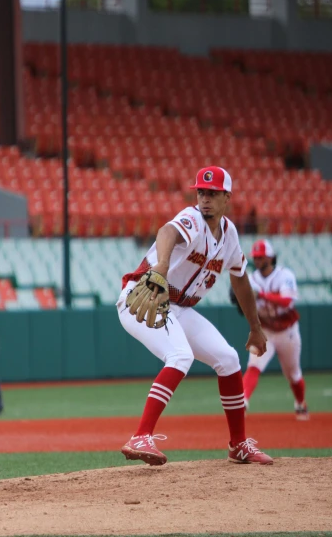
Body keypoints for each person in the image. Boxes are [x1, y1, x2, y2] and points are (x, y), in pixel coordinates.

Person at [117, 165, 273, 466]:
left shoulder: (229, 235)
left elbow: (240, 277)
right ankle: (140, 435)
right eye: (201, 191)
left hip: (179, 306)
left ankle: (238, 445)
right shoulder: (193, 219)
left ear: (227, 197)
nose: (205, 198)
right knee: (180, 355)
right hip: (146, 295)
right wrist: (161, 265)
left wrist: (255, 326)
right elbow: (167, 231)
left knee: (228, 359)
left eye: (212, 193)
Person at [242, 239, 308, 420]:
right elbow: (243, 305)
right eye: (255, 257)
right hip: (265, 331)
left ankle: (300, 402)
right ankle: (243, 402)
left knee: (293, 375)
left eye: (261, 257)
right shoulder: (250, 279)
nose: (257, 260)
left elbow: (287, 301)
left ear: (270, 258)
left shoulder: (285, 275)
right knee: (253, 366)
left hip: (288, 331)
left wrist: (262, 295)